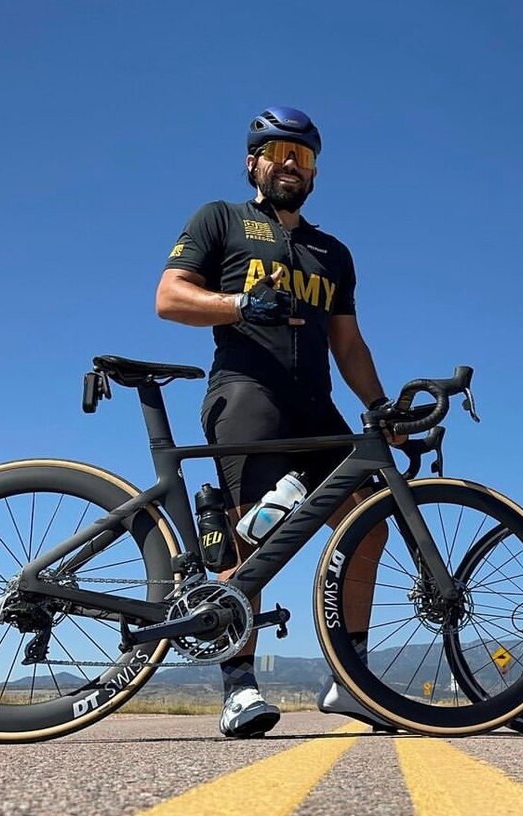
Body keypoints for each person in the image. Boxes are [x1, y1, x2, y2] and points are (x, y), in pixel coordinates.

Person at [156, 106, 396, 738]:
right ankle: (237, 686)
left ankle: (351, 679)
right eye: (278, 153)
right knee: (247, 533)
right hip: (246, 389)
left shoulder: (332, 252)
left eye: (304, 156)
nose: (291, 164)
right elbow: (170, 295)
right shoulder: (221, 219)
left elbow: (348, 343)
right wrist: (238, 303)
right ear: (253, 162)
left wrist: (380, 408)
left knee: (370, 522)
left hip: (316, 404)